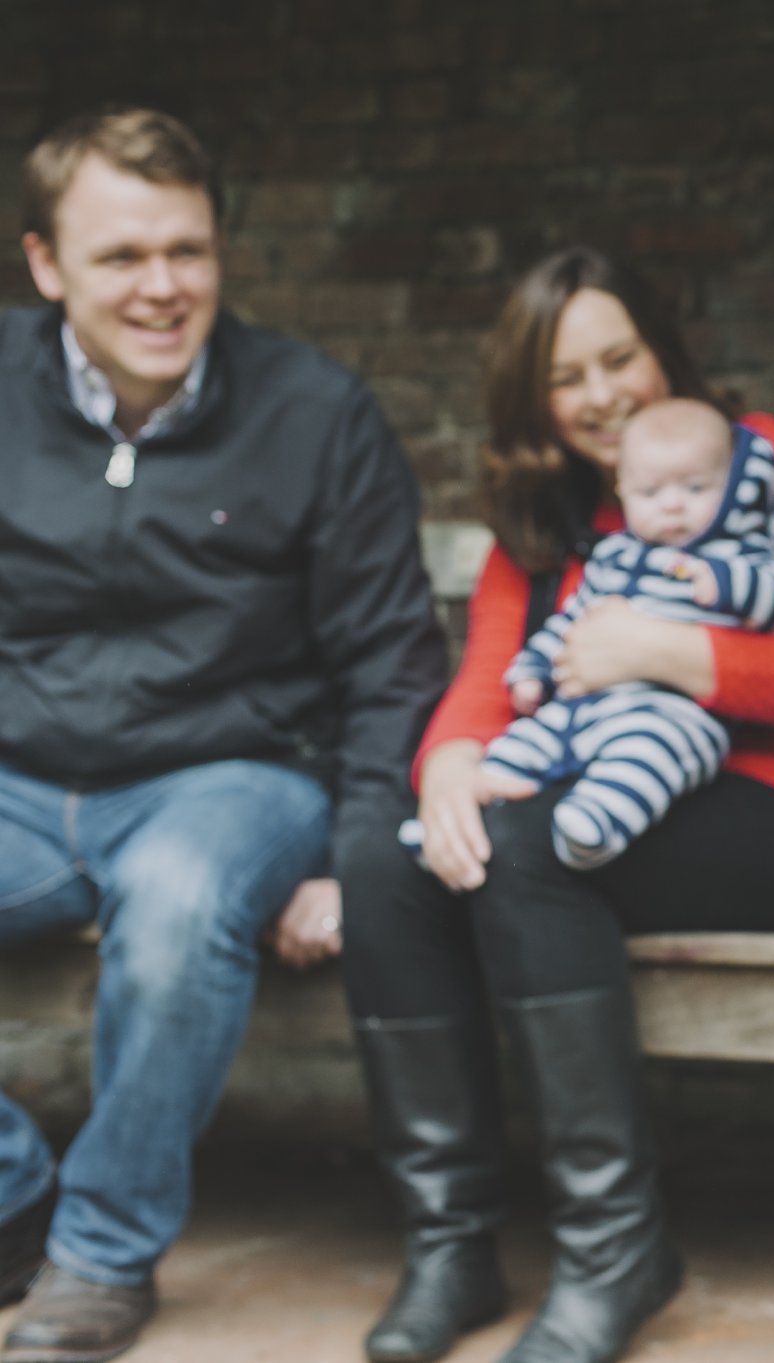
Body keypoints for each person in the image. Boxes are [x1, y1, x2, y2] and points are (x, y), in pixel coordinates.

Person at [340, 246, 774, 1363]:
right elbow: (484, 679)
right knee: (386, 861)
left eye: (620, 358)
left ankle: (612, 1252)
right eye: (568, 378)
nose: (603, 395)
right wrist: (451, 763)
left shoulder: (771, 463)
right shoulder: (546, 514)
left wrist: (662, 646)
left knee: (531, 845)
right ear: (534, 402)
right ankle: (451, 1244)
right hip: (620, 797)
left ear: (662, 352)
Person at [0, 109, 445, 1363]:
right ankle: (13, 1195)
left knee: (182, 897)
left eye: (187, 250)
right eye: (122, 256)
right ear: (46, 265)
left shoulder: (316, 411)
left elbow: (390, 659)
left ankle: (97, 1257)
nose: (161, 287)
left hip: (230, 778)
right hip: (21, 779)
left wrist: (353, 861)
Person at [419, 396, 774, 870]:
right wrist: (534, 671)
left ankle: (596, 826)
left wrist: (729, 585)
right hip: (584, 706)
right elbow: (569, 622)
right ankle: (448, 831)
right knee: (519, 747)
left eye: (694, 488)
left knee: (648, 758)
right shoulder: (613, 559)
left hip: (672, 712)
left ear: (730, 487)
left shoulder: (736, 556)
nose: (672, 506)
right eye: (651, 493)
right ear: (624, 492)